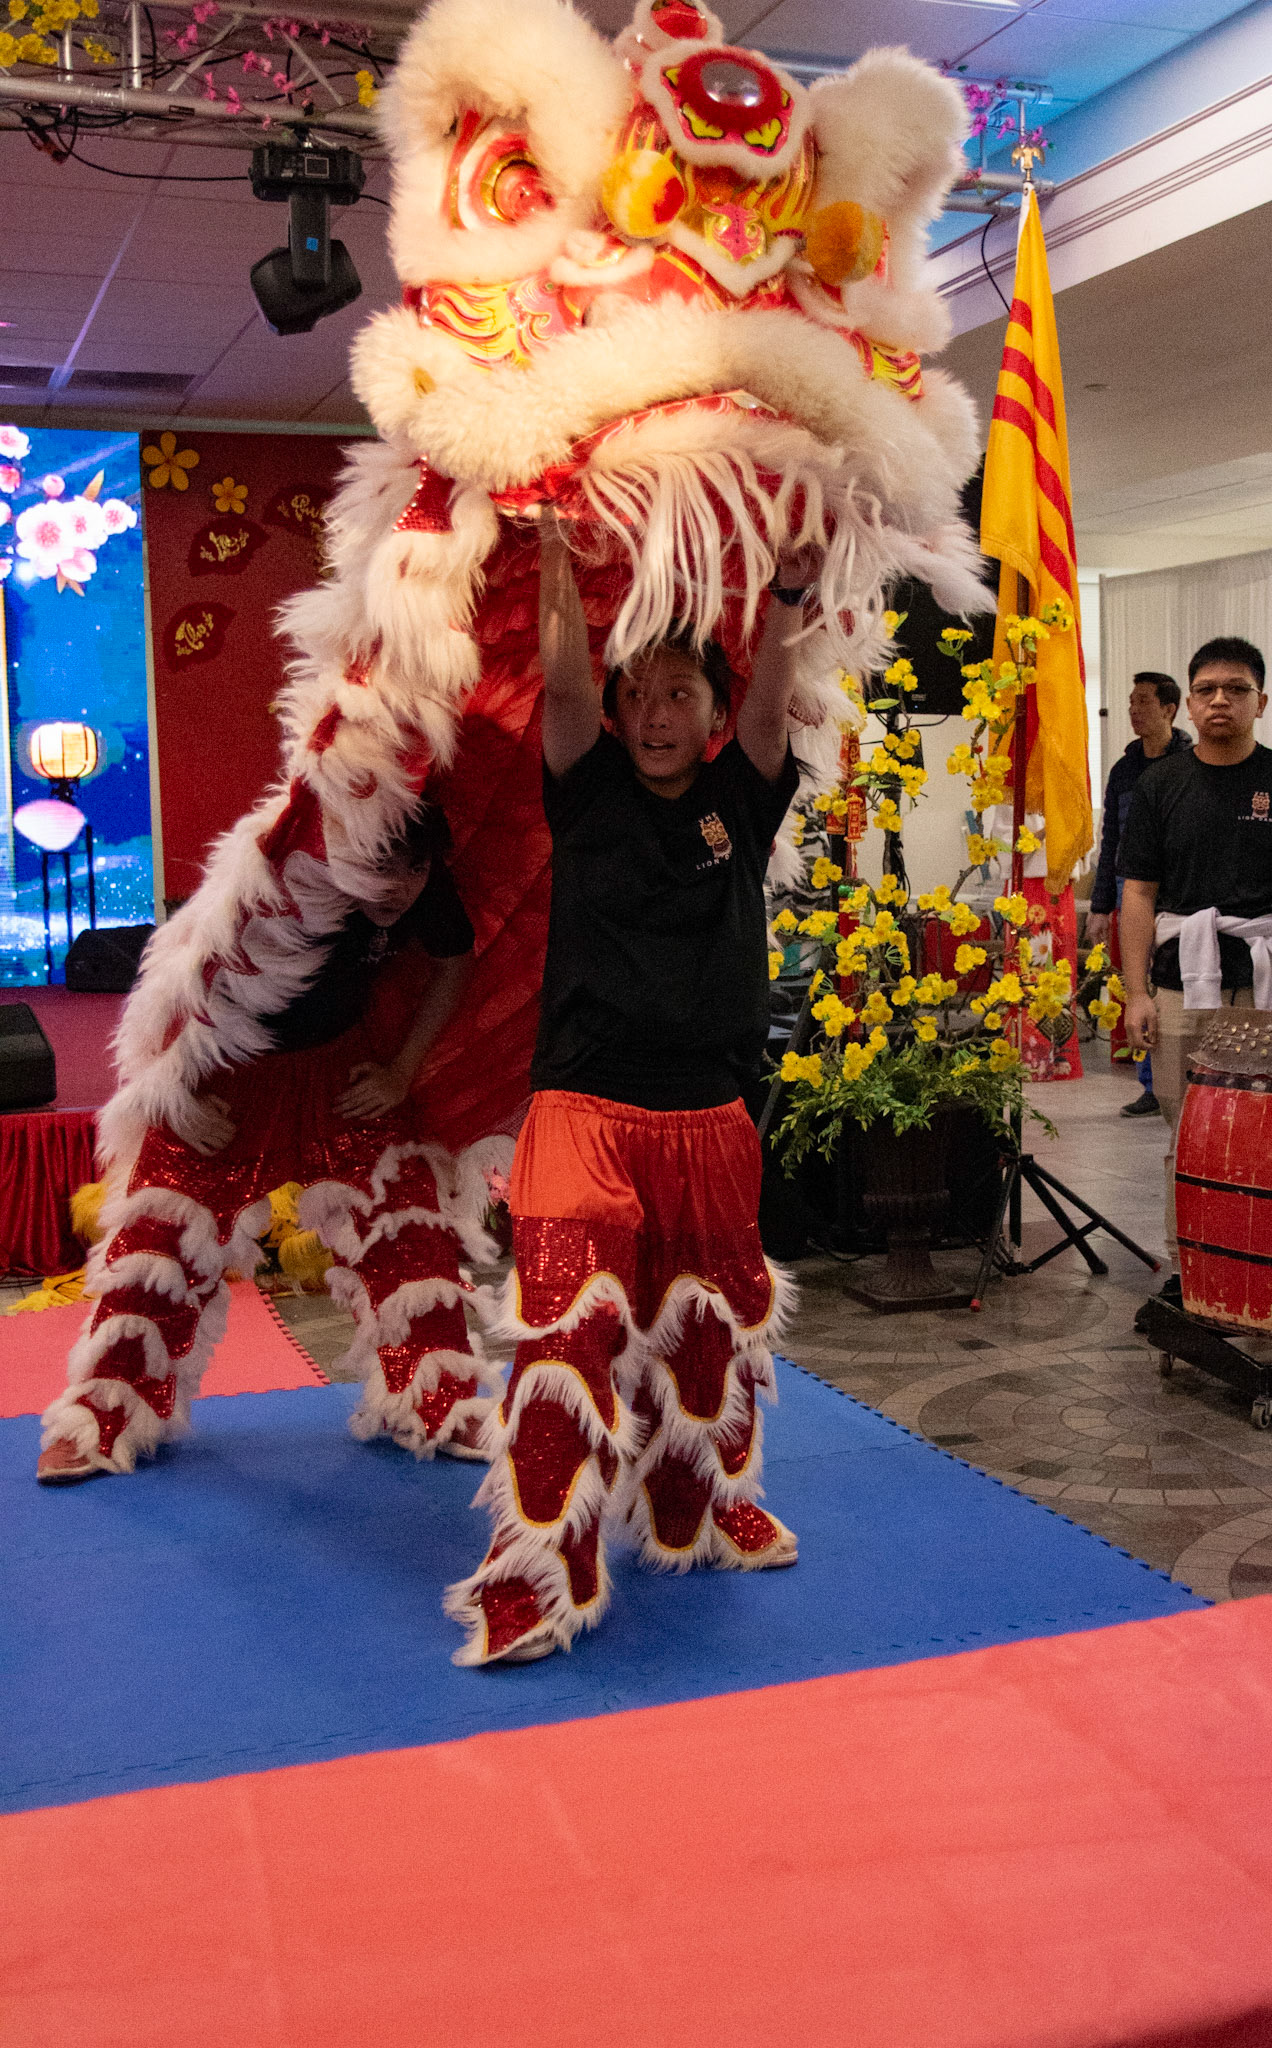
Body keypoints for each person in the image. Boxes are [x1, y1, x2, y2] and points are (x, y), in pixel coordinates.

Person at [447, 511, 805, 1667]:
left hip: (708, 1112)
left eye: (677, 694)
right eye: (636, 693)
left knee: (712, 1328)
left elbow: (771, 707)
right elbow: (561, 679)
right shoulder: (587, 781)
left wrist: (787, 598)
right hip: (582, 1110)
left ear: (710, 711)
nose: (654, 713)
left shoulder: (739, 796)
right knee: (564, 1328)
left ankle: (710, 1500)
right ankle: (532, 1569)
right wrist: (556, 546)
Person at [37, 804, 498, 1483]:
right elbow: (178, 984)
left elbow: (454, 963)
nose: (397, 886)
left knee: (409, 1224)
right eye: (379, 866)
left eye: (413, 868)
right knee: (159, 1249)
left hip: (340, 1070)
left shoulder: (423, 888)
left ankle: (439, 1401)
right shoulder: (277, 884)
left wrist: (401, 1071)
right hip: (228, 1078)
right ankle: (100, 1419)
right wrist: (176, 1095)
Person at [1118, 635, 1272, 1275]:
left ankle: (1263, 1265)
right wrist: (1135, 993)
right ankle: (1192, 1269)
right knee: (1188, 1129)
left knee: (1270, 1129)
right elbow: (1138, 894)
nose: (1221, 700)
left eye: (1237, 689)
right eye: (1207, 690)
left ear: (1260, 702)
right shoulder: (1159, 785)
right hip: (1180, 984)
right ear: (1188, 704)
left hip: (1270, 984)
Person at [1086, 671, 1191, 1117]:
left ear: (1169, 709)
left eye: (1143, 701)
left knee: (1173, 983)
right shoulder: (1124, 770)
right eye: (1131, 702)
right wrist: (1099, 906)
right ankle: (1151, 1083)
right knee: (1138, 983)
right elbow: (1110, 838)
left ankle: (1185, 1078)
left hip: (1178, 889)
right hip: (1130, 887)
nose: (1133, 710)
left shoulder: (1188, 763)